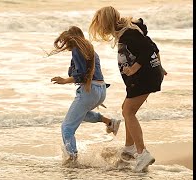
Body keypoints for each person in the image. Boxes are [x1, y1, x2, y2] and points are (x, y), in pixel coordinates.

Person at [89, 6, 166, 172]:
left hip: (144, 77)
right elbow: (152, 45)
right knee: (126, 109)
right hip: (144, 77)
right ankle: (129, 149)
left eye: (101, 23)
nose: (100, 28)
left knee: (128, 112)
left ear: (107, 22)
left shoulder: (128, 34)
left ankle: (142, 153)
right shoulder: (128, 30)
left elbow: (148, 48)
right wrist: (160, 66)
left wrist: (135, 68)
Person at [48, 26, 121, 167]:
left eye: (66, 41)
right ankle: (110, 122)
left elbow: (81, 75)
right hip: (100, 90)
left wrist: (64, 80)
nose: (65, 46)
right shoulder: (90, 49)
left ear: (71, 39)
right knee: (83, 114)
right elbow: (85, 73)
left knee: (67, 128)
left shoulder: (77, 50)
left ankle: (72, 159)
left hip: (90, 91)